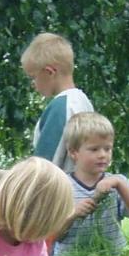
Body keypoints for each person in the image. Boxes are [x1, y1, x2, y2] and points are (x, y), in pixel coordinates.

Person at [52, 111, 129, 256]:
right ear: (73, 152)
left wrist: (120, 184)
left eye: (107, 148)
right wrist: (72, 215)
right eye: (94, 149)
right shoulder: (61, 186)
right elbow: (50, 235)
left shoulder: (117, 183)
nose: (103, 155)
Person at [21, 32, 94, 172]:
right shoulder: (83, 101)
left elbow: (44, 167)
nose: (33, 83)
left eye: (33, 77)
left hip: (59, 191)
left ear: (49, 72)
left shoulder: (61, 107)